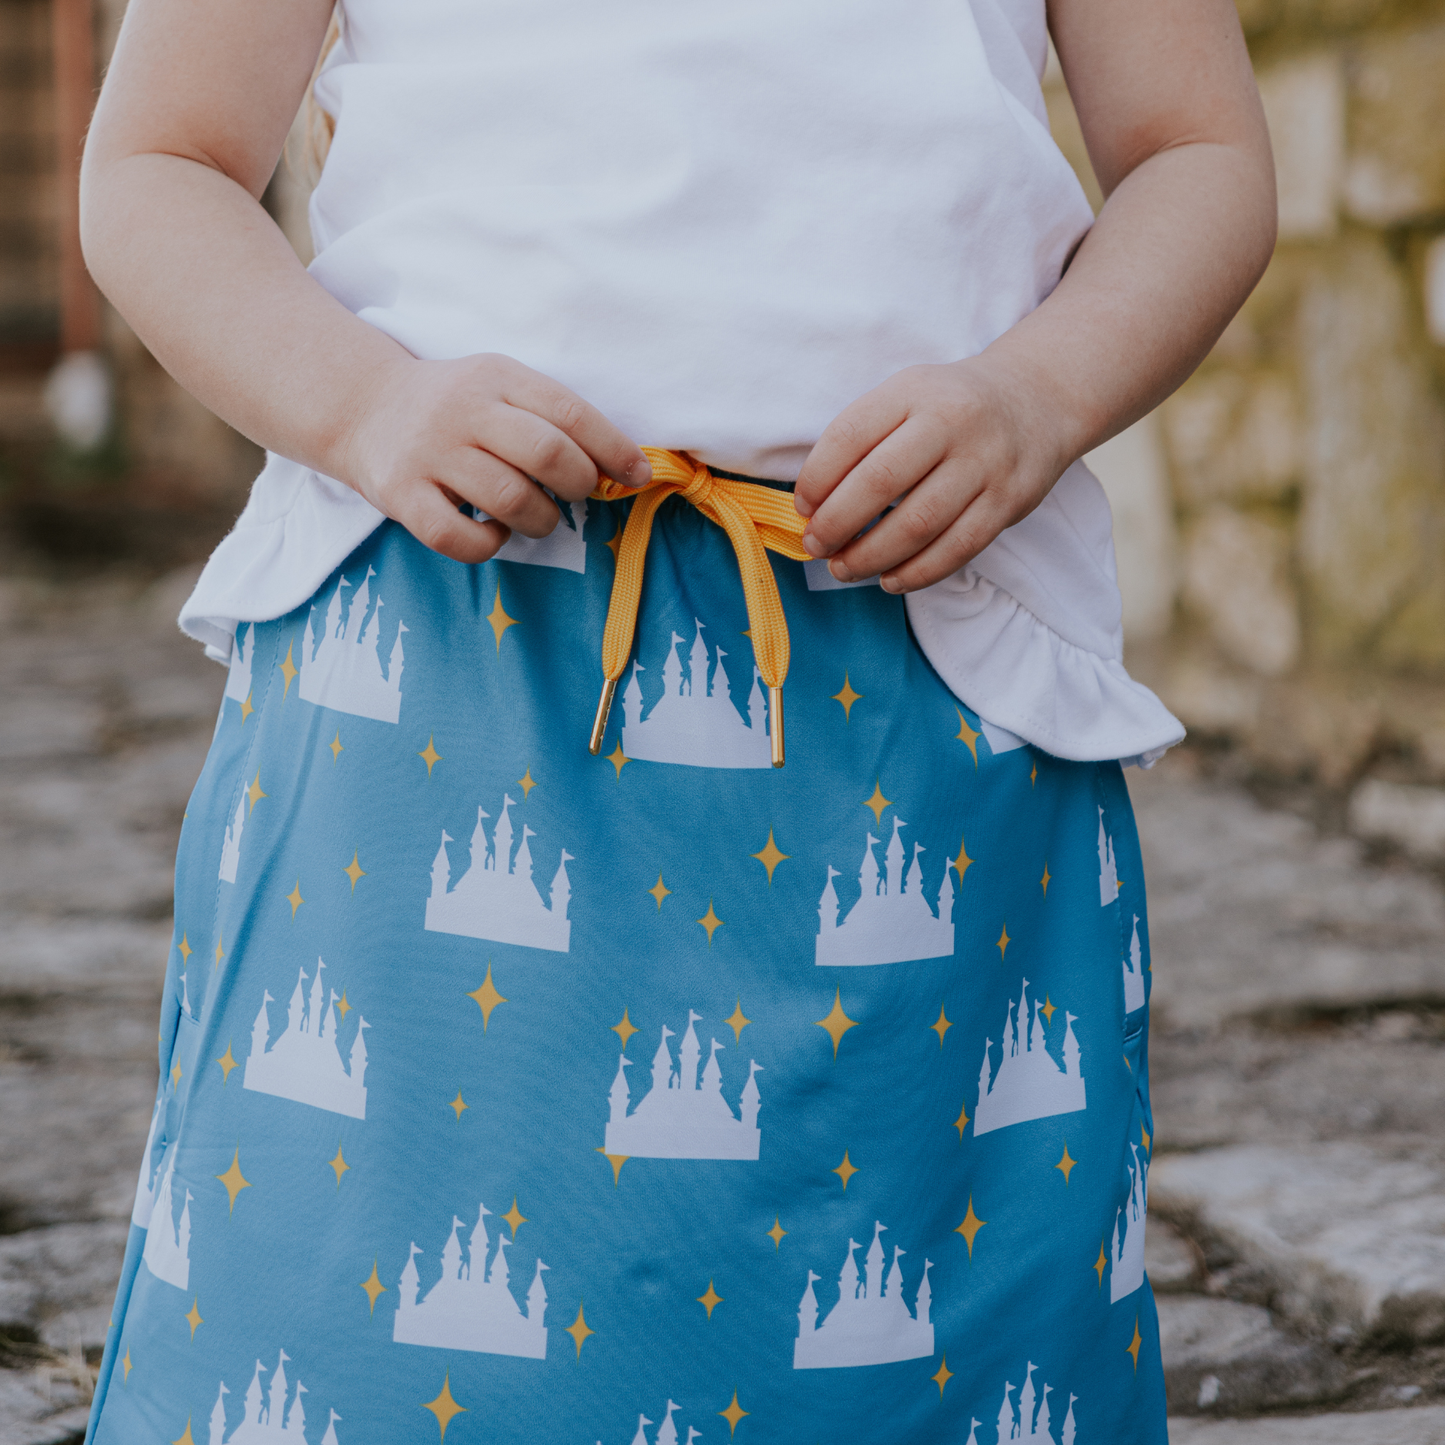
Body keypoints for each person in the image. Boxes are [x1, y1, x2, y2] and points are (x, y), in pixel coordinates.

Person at [78, 0, 1274, 1438]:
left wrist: (1036, 393)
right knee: (366, 1300)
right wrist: (361, 408)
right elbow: (160, 160)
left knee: (927, 1303)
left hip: (912, 658)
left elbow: (1197, 151)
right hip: (441, 658)